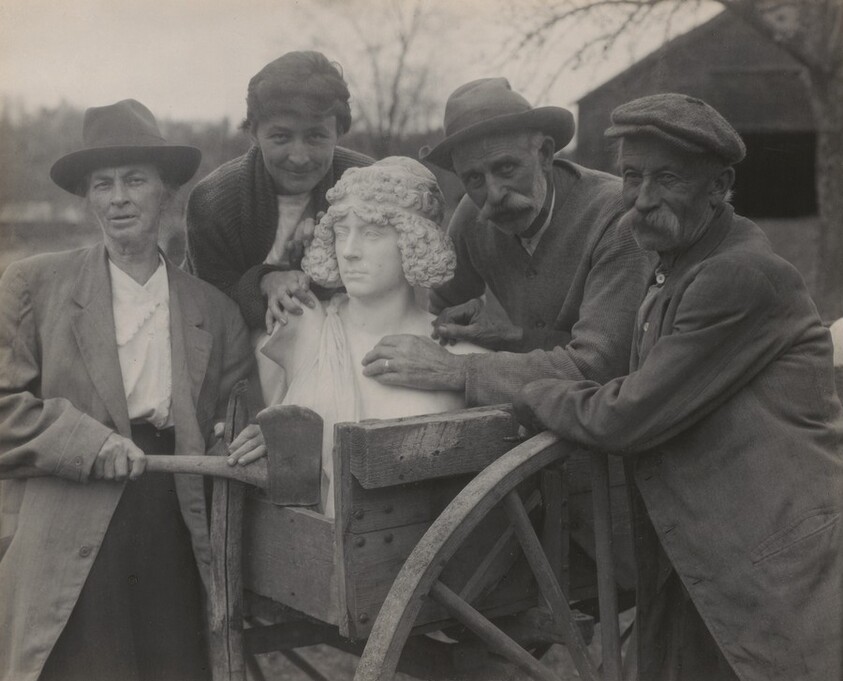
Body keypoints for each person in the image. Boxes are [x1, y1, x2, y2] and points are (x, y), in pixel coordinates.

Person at [513, 94, 843, 681]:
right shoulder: (679, 263)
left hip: (772, 567)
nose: (642, 200)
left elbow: (629, 415)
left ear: (718, 186)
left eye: (666, 179)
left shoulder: (737, 276)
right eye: (631, 177)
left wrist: (531, 391)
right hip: (702, 555)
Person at [0, 99, 264, 681]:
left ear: (165, 191)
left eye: (135, 180)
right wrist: (85, 442)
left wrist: (242, 436)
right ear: (88, 198)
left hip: (172, 513)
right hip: (69, 508)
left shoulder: (213, 312)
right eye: (103, 184)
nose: (118, 197)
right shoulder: (33, 286)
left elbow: (242, 415)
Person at [362, 78, 653, 407]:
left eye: (506, 168)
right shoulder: (471, 218)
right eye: (474, 178)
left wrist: (460, 370)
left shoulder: (616, 217)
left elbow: (598, 367)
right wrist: (472, 330)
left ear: (544, 153)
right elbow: (440, 318)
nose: (494, 194)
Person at [260, 157, 483, 516]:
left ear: (414, 242)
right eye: (341, 232)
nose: (349, 250)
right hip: (306, 544)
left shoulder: (459, 354)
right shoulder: (302, 326)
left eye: (372, 233)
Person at [184, 50, 373, 335]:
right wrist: (263, 282)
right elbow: (210, 304)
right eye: (280, 137)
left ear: (340, 131)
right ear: (254, 132)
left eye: (316, 136)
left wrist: (321, 264)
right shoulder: (214, 200)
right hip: (237, 347)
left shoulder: (368, 185)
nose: (298, 157)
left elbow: (387, 287)